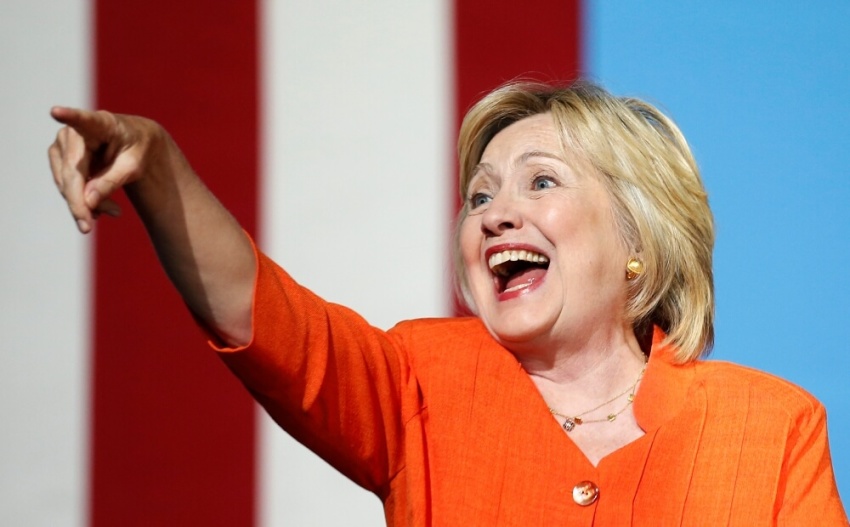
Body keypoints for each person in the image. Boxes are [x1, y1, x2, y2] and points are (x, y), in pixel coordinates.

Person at [48, 81, 847, 525]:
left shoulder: (772, 427)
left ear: (639, 235)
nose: (495, 213)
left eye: (541, 181)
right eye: (478, 196)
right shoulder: (420, 381)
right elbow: (267, 317)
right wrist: (158, 171)